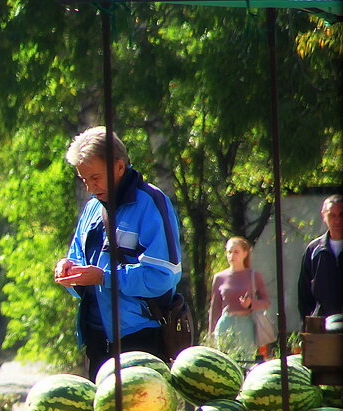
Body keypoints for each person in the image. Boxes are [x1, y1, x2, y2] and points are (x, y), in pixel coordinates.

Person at [54, 126, 183, 379]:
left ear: (119, 167)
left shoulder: (151, 203)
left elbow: (161, 278)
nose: (90, 188)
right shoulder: (92, 209)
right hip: (96, 340)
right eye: (83, 180)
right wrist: (68, 271)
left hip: (140, 339)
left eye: (95, 178)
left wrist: (103, 276)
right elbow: (80, 267)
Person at [209, 237, 271, 363]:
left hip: (246, 325)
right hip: (225, 323)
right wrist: (211, 334)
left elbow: (266, 302)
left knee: (245, 363)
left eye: (236, 252)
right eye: (229, 252)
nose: (232, 256)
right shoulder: (219, 278)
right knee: (223, 362)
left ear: (245, 253)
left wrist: (251, 304)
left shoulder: (254, 275)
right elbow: (214, 308)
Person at [297, 194, 343, 325]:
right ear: (324, 216)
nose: (337, 220)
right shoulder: (314, 250)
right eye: (332, 215)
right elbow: (304, 293)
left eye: (341, 214)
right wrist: (308, 326)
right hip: (322, 327)